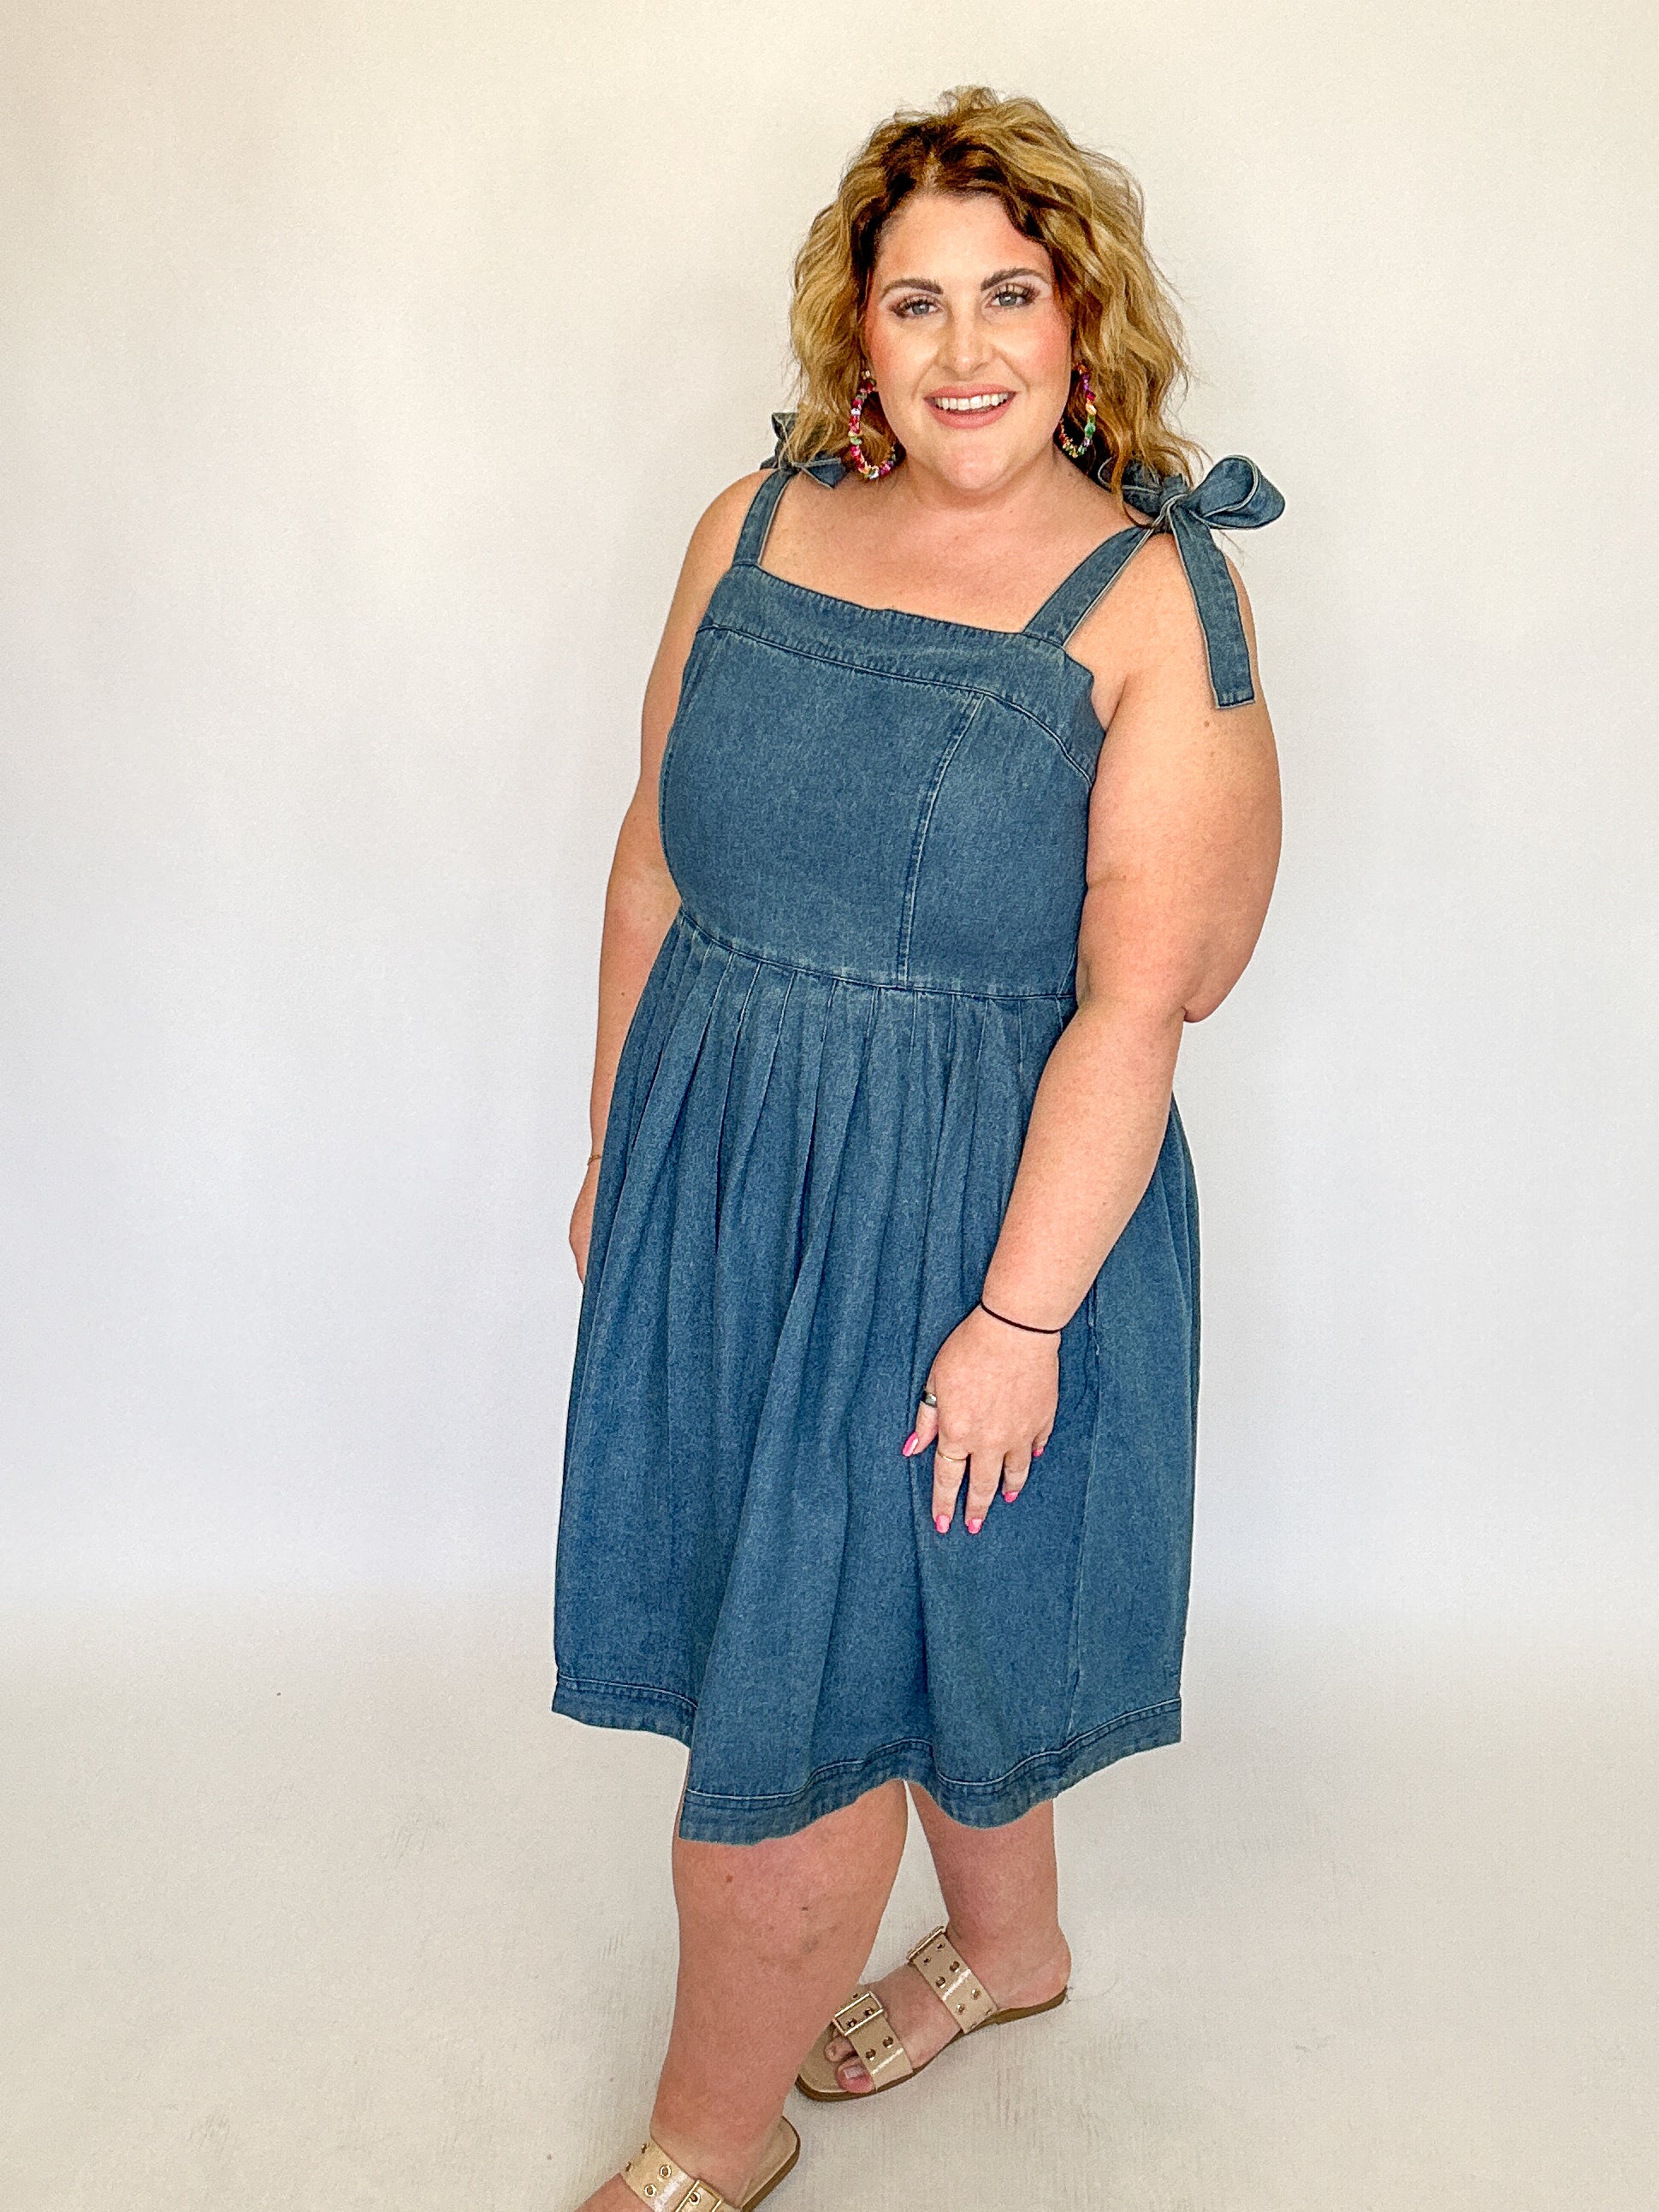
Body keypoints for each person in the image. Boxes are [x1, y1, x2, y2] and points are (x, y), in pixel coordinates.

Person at [556, 84, 1283, 2212]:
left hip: (980, 1225)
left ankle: (705, 2147)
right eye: (914, 302)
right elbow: (651, 865)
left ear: (1084, 323)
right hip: (729, 1187)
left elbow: (1143, 1000)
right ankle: (1011, 1956)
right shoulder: (750, 523)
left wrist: (1017, 1320)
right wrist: (617, 1151)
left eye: (1011, 295)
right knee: (900, 1617)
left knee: (797, 1690)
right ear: (854, 333)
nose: (965, 349)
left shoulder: (1153, 600)